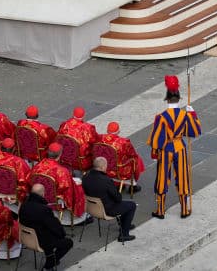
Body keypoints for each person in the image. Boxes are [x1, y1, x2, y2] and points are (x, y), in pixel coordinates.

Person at [148, 75, 201, 219]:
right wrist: (193, 114)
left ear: (167, 98)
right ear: (179, 98)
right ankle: (184, 209)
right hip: (180, 147)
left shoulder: (161, 117)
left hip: (166, 149)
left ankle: (160, 210)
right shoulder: (185, 115)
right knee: (183, 177)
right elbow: (195, 131)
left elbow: (157, 137)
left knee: (162, 177)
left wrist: (154, 152)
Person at [19, 183, 73, 270]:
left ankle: (51, 257)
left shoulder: (24, 204)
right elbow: (54, 226)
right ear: (42, 193)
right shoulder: (43, 209)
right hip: (40, 240)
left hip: (26, 237)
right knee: (68, 242)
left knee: (47, 233)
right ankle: (49, 265)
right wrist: (62, 234)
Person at [82, 156, 136, 242]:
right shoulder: (106, 180)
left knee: (122, 205)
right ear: (102, 167)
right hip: (106, 210)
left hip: (90, 208)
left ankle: (124, 224)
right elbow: (118, 199)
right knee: (131, 205)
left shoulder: (85, 176)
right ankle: (124, 234)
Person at [29, 142, 85, 220]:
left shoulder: (37, 166)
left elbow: (30, 180)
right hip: (54, 199)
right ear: (60, 155)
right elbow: (68, 190)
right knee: (77, 186)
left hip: (39, 196)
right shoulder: (62, 171)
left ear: (48, 152)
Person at [95, 121, 145, 186]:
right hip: (118, 171)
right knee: (137, 159)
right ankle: (133, 184)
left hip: (102, 166)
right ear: (118, 131)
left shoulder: (99, 138)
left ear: (107, 131)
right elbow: (133, 155)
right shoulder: (124, 142)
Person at [56, 106, 98, 172]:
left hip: (63, 156)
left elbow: (58, 137)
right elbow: (94, 140)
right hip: (80, 160)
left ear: (73, 114)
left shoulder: (64, 125)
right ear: (84, 116)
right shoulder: (88, 128)